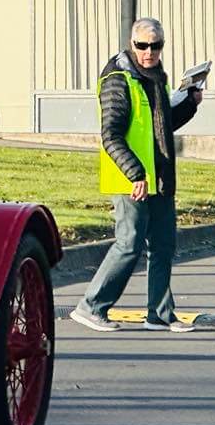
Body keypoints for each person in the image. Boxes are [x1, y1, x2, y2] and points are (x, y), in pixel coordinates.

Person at [69, 18, 203, 333]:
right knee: (129, 243)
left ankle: (160, 314)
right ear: (132, 43)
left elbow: (161, 127)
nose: (149, 52)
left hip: (158, 178)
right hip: (131, 180)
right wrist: (135, 173)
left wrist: (190, 104)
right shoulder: (118, 79)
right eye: (142, 45)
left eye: (155, 45)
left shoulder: (156, 77)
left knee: (164, 245)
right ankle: (91, 306)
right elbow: (111, 135)